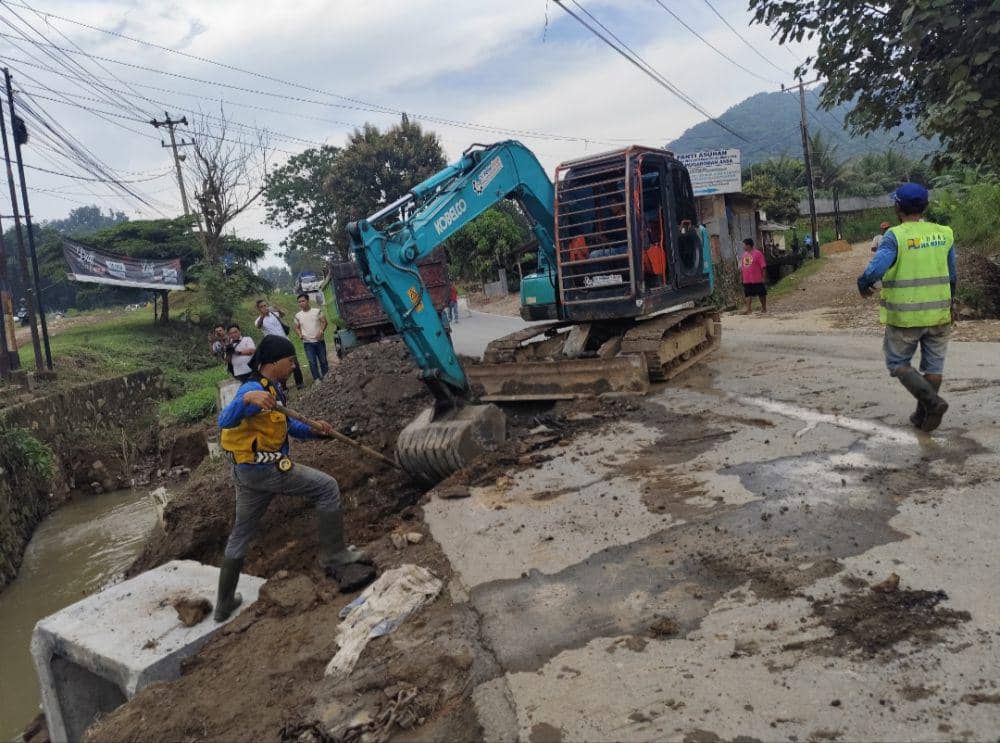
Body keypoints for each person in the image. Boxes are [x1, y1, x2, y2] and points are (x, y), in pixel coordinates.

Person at [214, 335, 375, 621]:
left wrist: (315, 431)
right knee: (327, 488)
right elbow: (224, 421)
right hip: (266, 470)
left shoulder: (273, 389)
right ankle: (334, 556)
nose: (293, 365)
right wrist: (246, 399)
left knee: (240, 534)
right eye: (289, 361)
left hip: (247, 473)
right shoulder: (253, 390)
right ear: (273, 363)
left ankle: (223, 604)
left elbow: (288, 426)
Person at [857, 183, 955, 432]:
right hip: (940, 313)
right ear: (926, 206)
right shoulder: (945, 233)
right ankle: (922, 414)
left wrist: (863, 282)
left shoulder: (895, 236)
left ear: (898, 206)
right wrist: (949, 303)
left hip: (905, 316)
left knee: (897, 363)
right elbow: (952, 275)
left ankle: (932, 403)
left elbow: (876, 269)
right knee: (933, 368)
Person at [254, 298, 304, 390]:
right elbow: (258, 326)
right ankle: (284, 388)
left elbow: (283, 314)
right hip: (274, 347)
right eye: (261, 307)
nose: (264, 307)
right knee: (280, 367)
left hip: (286, 342)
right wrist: (262, 316)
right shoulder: (258, 320)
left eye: (265, 305)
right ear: (258, 309)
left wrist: (277, 309)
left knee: (294, 363)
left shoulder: (273, 314)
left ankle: (300, 383)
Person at [294, 293, 329, 382]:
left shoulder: (317, 311)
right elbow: (296, 327)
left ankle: (327, 377)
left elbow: (324, 322)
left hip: (319, 341)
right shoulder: (298, 316)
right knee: (312, 362)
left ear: (308, 301)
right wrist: (300, 334)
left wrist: (321, 331)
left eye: (303, 301)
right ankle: (317, 379)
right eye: (299, 302)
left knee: (323, 360)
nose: (301, 303)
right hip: (307, 343)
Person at [740, 238, 767, 314]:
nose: (743, 247)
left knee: (761, 293)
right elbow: (743, 267)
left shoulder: (758, 254)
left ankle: (764, 308)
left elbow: (763, 266)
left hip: (757, 278)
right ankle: (749, 309)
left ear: (748, 245)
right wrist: (742, 277)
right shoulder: (744, 255)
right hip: (747, 279)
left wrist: (763, 277)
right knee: (747, 294)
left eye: (744, 245)